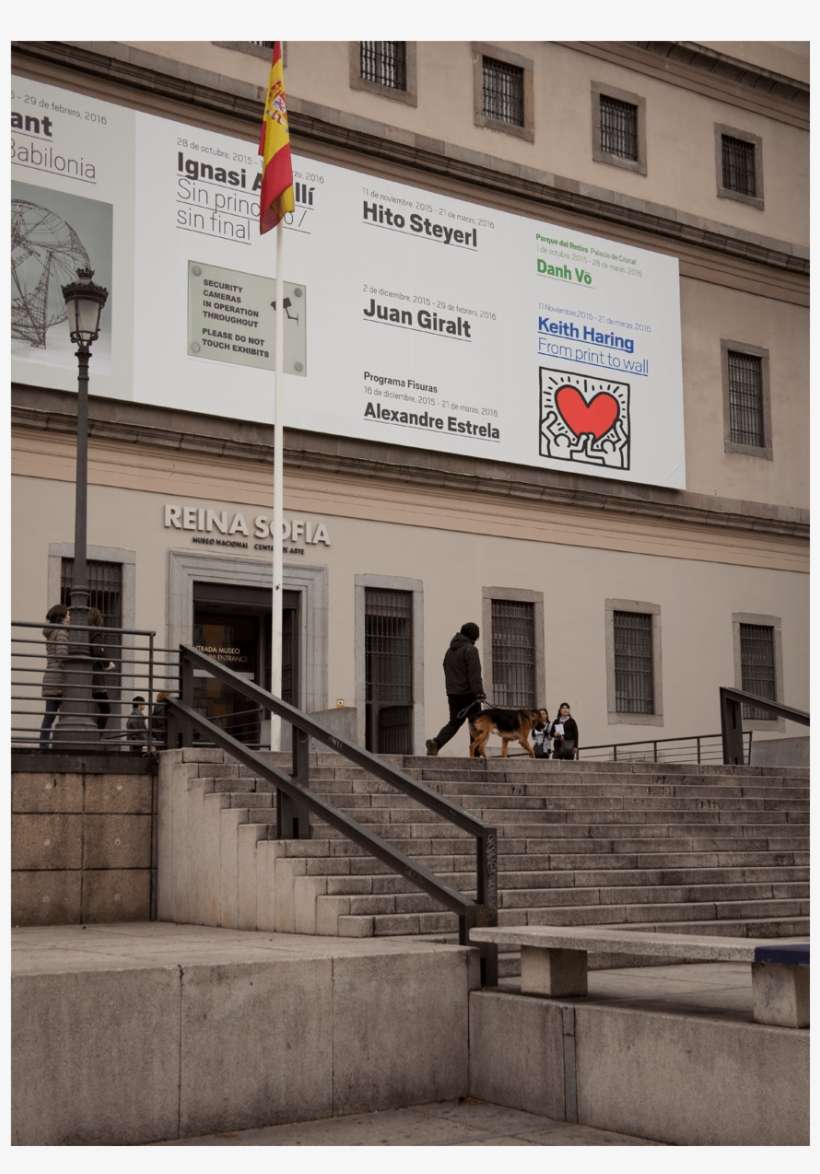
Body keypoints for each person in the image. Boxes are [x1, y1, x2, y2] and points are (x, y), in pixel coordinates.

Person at [426, 622, 486, 756]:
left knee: (454, 723)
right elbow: (474, 674)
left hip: (453, 694)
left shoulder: (450, 651)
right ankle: (475, 755)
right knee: (476, 723)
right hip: (469, 694)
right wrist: (479, 693)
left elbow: (447, 669)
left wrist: (452, 690)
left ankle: (436, 743)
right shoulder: (470, 650)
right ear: (474, 635)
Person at [39, 603, 68, 750]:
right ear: (62, 617)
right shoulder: (61, 632)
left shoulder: (50, 632)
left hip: (50, 675)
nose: (70, 617)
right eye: (68, 615)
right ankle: (62, 743)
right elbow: (62, 655)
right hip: (59, 677)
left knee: (49, 715)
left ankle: (43, 745)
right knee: (69, 713)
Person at [86, 606, 114, 732]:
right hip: (96, 677)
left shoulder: (85, 632)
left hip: (88, 674)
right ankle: (97, 736)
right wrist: (108, 664)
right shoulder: (96, 632)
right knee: (106, 708)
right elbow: (98, 651)